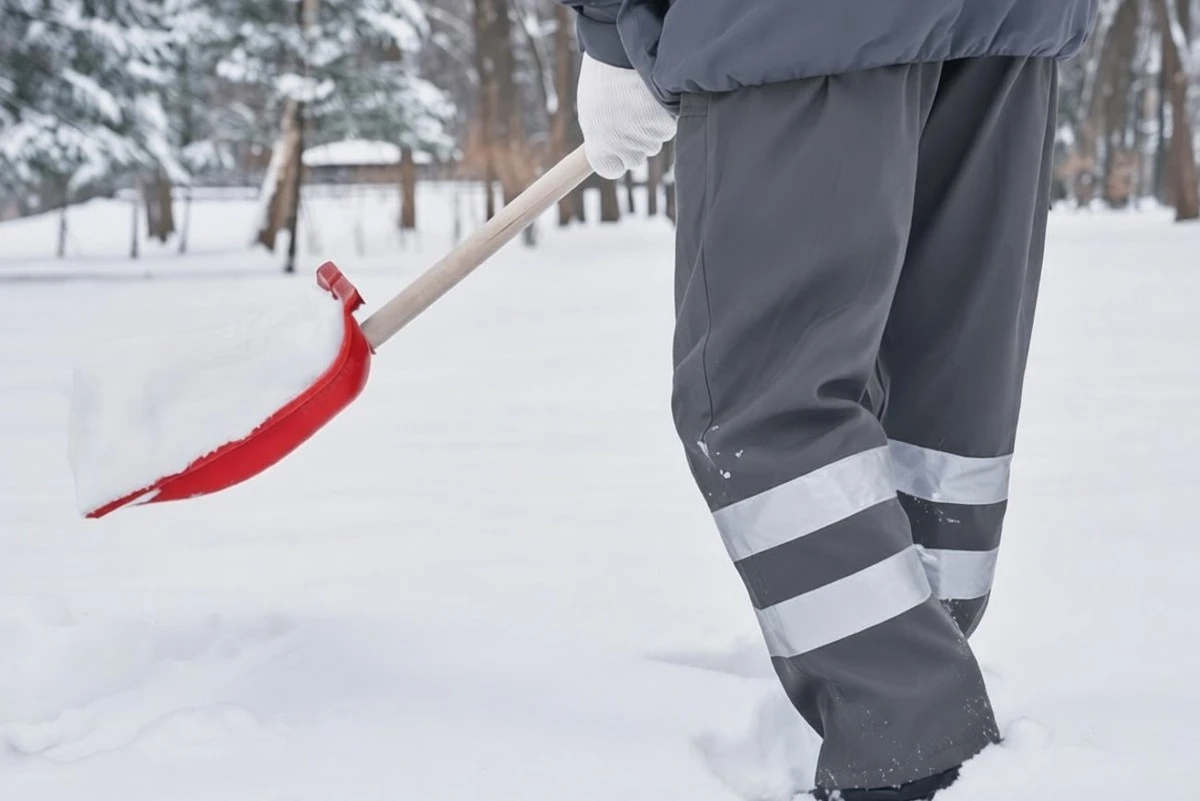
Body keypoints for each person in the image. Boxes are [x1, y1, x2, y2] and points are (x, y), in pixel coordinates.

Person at [557, 2, 1098, 799]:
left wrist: (611, 30)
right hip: (1006, 22)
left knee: (756, 408)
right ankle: (939, 691)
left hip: (796, 22)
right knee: (941, 392)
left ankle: (912, 746)